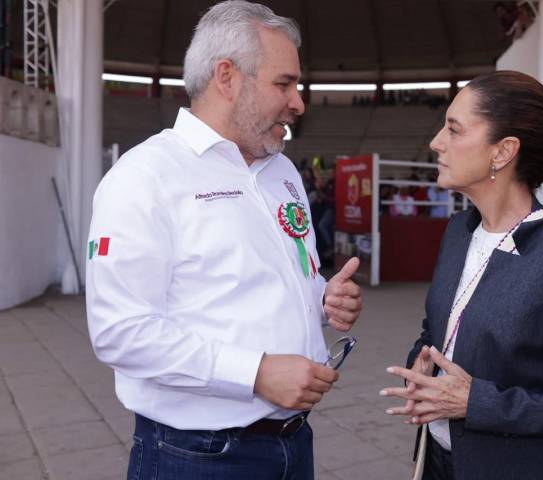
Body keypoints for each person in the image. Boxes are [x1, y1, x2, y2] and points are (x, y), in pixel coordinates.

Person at [85, 2, 363, 479]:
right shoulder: (144, 176)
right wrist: (255, 373)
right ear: (227, 77)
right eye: (284, 84)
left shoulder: (281, 171)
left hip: (294, 442)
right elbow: (120, 332)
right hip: (197, 456)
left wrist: (322, 298)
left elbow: (266, 282)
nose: (298, 102)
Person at [380, 71, 543, 480]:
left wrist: (476, 402)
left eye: (454, 129)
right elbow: (434, 332)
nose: (436, 142)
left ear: (503, 151)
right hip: (435, 461)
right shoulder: (458, 231)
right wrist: (422, 365)